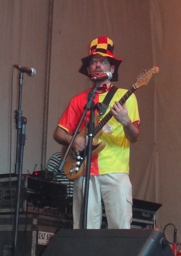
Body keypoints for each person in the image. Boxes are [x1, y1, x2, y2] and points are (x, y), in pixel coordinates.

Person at [54, 37, 140, 229]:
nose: (98, 65)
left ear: (112, 68)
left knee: (120, 229)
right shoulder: (79, 100)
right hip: (84, 170)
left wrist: (125, 122)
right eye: (94, 62)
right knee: (84, 230)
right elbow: (59, 133)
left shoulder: (126, 96)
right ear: (88, 69)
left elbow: (134, 136)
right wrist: (74, 140)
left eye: (103, 61)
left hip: (115, 170)